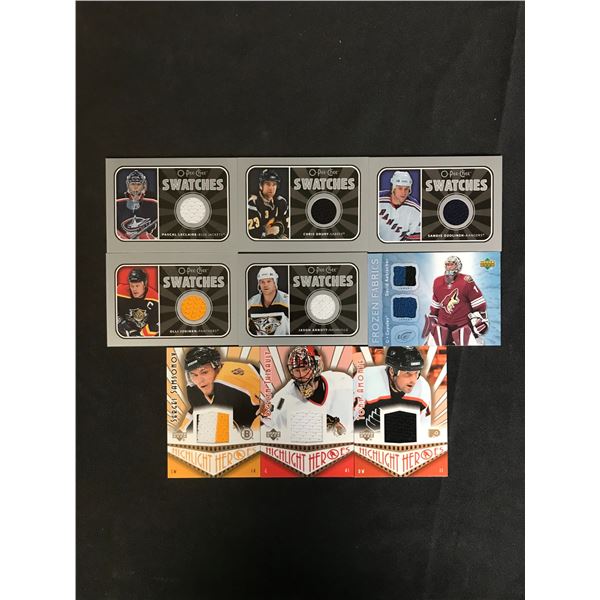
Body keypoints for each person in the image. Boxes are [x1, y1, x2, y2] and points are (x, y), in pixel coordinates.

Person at [264, 346, 353, 440]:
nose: (301, 375)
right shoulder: (282, 399)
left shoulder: (343, 381)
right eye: (296, 370)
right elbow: (271, 423)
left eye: (305, 369)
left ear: (317, 366)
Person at [184, 347, 261, 434]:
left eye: (204, 372)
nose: (199, 381)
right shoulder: (195, 389)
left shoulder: (227, 386)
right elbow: (194, 415)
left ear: (217, 367)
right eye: (194, 375)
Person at [354, 346, 431, 433]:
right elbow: (348, 420)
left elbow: (423, 431)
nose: (413, 380)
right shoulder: (367, 378)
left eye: (417, 372)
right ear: (392, 371)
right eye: (407, 373)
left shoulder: (423, 387)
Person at [422, 255, 489, 346]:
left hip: (464, 325)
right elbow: (435, 306)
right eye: (447, 264)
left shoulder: (466, 281)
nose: (449, 267)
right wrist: (432, 318)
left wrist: (480, 320)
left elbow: (479, 304)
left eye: (452, 264)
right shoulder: (437, 281)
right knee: (433, 347)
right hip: (442, 325)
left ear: (458, 266)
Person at [378, 170, 421, 241]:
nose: (403, 193)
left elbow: (416, 237)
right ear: (394, 188)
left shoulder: (415, 208)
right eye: (400, 188)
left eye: (406, 189)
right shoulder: (377, 200)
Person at [116, 170, 158, 240]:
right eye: (132, 184)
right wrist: (123, 239)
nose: (135, 187)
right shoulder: (117, 205)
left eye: (138, 184)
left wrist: (150, 238)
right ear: (128, 185)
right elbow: (112, 228)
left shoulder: (154, 205)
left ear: (144, 186)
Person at [247, 267, 290, 336]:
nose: (265, 285)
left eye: (269, 281)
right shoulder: (252, 302)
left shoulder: (287, 301)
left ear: (275, 282)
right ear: (259, 284)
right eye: (262, 282)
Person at [116, 268, 159, 336]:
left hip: (144, 336)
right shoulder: (119, 292)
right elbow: (111, 312)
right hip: (125, 333)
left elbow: (157, 324)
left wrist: (140, 335)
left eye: (137, 286)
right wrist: (123, 325)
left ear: (144, 284)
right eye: (132, 286)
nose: (134, 289)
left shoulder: (155, 299)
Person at [247, 168, 289, 239]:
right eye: (268, 184)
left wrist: (279, 227)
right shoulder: (252, 202)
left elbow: (287, 226)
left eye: (274, 184)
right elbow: (252, 234)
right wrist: (266, 231)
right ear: (261, 185)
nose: (271, 188)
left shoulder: (281, 201)